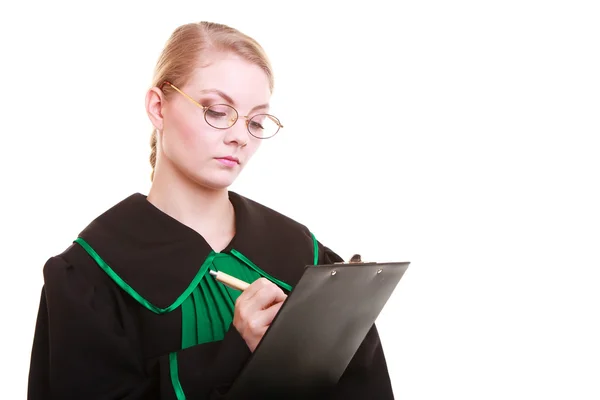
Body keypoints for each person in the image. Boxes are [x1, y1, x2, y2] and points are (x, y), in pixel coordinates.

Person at [27, 21, 395, 399]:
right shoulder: (89, 276)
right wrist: (231, 353)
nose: (240, 136)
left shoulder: (302, 255)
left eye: (256, 121)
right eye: (218, 111)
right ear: (158, 107)